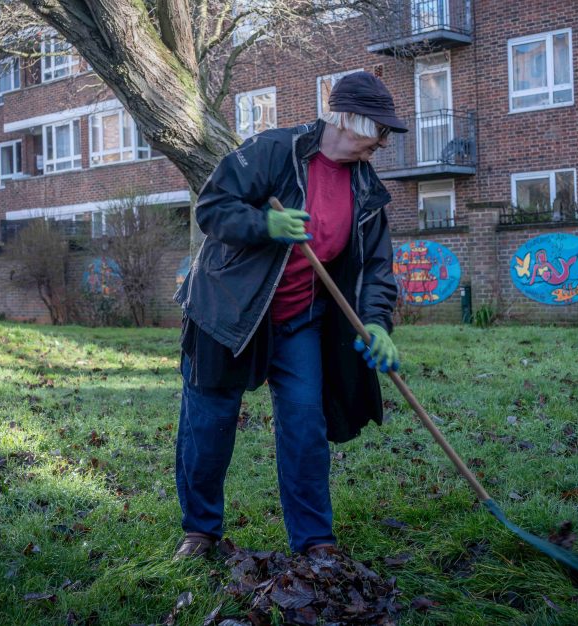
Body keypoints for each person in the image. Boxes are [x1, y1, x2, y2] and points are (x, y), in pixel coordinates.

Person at [173, 72, 406, 558]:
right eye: (379, 129)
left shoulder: (366, 187)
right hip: (227, 309)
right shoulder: (275, 150)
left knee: (305, 425)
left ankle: (315, 540)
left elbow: (376, 267)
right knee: (210, 424)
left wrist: (377, 322)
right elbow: (212, 208)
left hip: (300, 318)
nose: (383, 142)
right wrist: (264, 224)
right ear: (348, 119)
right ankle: (200, 532)